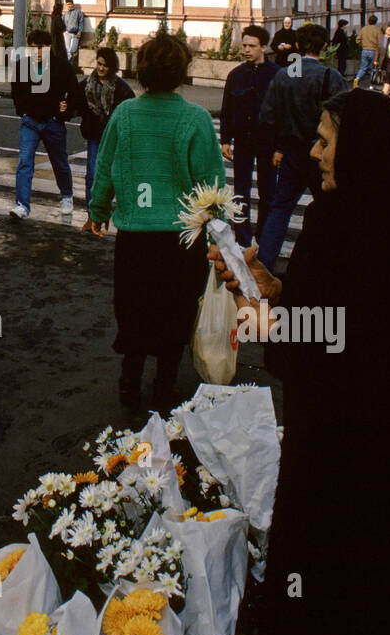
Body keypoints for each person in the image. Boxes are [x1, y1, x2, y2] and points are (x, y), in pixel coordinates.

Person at [208, 88, 390, 635]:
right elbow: (332, 318)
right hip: (383, 464)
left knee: (324, 628)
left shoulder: (359, 227)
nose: (315, 152)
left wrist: (262, 316)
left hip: (343, 468)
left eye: (326, 140)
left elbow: (326, 347)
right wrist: (272, 287)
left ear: (361, 149)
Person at [89, 32, 224, 413]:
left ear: (142, 71)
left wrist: (98, 211)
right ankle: (164, 389)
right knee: (175, 313)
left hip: (135, 238)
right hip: (183, 241)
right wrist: (220, 232)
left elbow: (105, 168)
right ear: (182, 72)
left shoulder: (125, 114)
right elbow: (211, 184)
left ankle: (129, 383)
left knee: (135, 311)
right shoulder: (196, 119)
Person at [256, 24, 347, 270]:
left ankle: (263, 265)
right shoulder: (331, 77)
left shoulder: (283, 75)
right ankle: (327, 265)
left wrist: (278, 146)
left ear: (297, 45)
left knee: (280, 209)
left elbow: (267, 116)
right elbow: (343, 121)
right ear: (325, 47)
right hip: (320, 153)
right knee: (328, 210)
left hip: (291, 151)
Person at [9, 29, 77, 221]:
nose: (36, 52)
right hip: (30, 121)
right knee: (25, 162)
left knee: (59, 162)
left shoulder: (61, 67)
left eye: (40, 48)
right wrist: (22, 111)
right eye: (32, 48)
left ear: (48, 47)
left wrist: (65, 112)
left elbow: (74, 92)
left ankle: (66, 195)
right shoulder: (22, 66)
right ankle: (22, 205)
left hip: (52, 122)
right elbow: (16, 91)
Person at [219, 24, 278, 247]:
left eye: (252, 46)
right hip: (243, 140)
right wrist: (225, 140)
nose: (246, 50)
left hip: (268, 142)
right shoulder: (236, 75)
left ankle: (263, 239)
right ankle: (243, 237)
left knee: (268, 193)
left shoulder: (277, 75)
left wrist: (280, 147)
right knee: (240, 192)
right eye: (244, 45)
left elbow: (282, 112)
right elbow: (227, 109)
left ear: (264, 47)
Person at [69, 45, 134, 233]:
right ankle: (92, 216)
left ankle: (116, 214)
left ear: (111, 67)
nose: (101, 68)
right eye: (98, 64)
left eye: (105, 65)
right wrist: (64, 109)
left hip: (115, 139)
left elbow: (128, 111)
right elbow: (77, 104)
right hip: (95, 137)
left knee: (116, 176)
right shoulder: (87, 84)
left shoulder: (121, 88)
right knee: (92, 174)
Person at [353, 14, 382, 90]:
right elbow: (380, 43)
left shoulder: (364, 29)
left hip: (364, 50)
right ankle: (372, 85)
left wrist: (363, 45)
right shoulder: (377, 30)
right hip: (374, 51)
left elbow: (357, 40)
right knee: (374, 68)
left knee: (363, 67)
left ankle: (357, 78)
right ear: (376, 22)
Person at [62, 0, 84, 65]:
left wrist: (79, 32)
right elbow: (62, 22)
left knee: (73, 51)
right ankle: (69, 67)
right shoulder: (65, 14)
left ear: (72, 4)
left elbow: (81, 23)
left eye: (70, 4)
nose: (69, 6)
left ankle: (68, 66)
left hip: (75, 34)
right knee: (67, 51)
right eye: (67, 4)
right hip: (67, 34)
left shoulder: (78, 12)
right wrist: (63, 31)